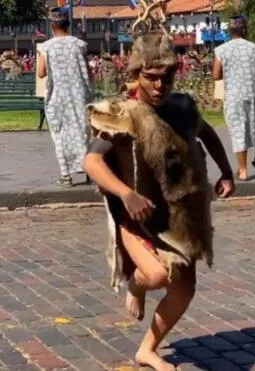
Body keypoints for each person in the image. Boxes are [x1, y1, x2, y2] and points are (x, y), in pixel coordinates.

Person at [83, 30, 236, 370]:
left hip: (179, 221)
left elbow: (207, 133)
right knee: (155, 276)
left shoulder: (182, 108)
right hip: (138, 217)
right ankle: (135, 286)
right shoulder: (123, 114)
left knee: (184, 290)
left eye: (166, 77)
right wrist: (126, 193)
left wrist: (226, 171)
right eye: (150, 77)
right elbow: (92, 162)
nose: (159, 85)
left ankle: (147, 349)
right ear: (136, 74)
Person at [37, 7, 93, 187]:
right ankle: (88, 170)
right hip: (80, 95)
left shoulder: (47, 47)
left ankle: (66, 175)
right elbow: (88, 71)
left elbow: (41, 73)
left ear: (52, 26)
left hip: (58, 97)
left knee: (60, 134)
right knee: (82, 131)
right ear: (68, 25)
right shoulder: (80, 44)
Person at [213, 15, 255, 181]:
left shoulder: (222, 50)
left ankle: (243, 170)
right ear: (245, 29)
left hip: (234, 95)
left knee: (239, 130)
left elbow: (216, 75)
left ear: (231, 31)